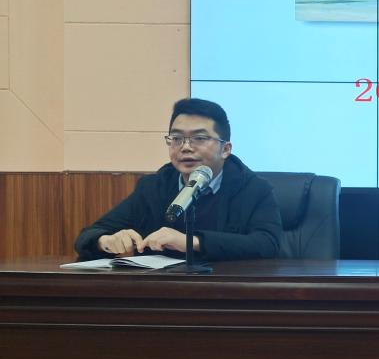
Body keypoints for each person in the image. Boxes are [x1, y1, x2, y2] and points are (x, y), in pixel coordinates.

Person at [74, 98, 282, 261]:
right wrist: (106, 241)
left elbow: (267, 244)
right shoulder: (154, 186)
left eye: (199, 138)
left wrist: (192, 242)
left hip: (225, 291)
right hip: (164, 291)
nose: (186, 147)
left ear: (225, 149)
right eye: (177, 138)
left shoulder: (253, 189)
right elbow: (89, 234)